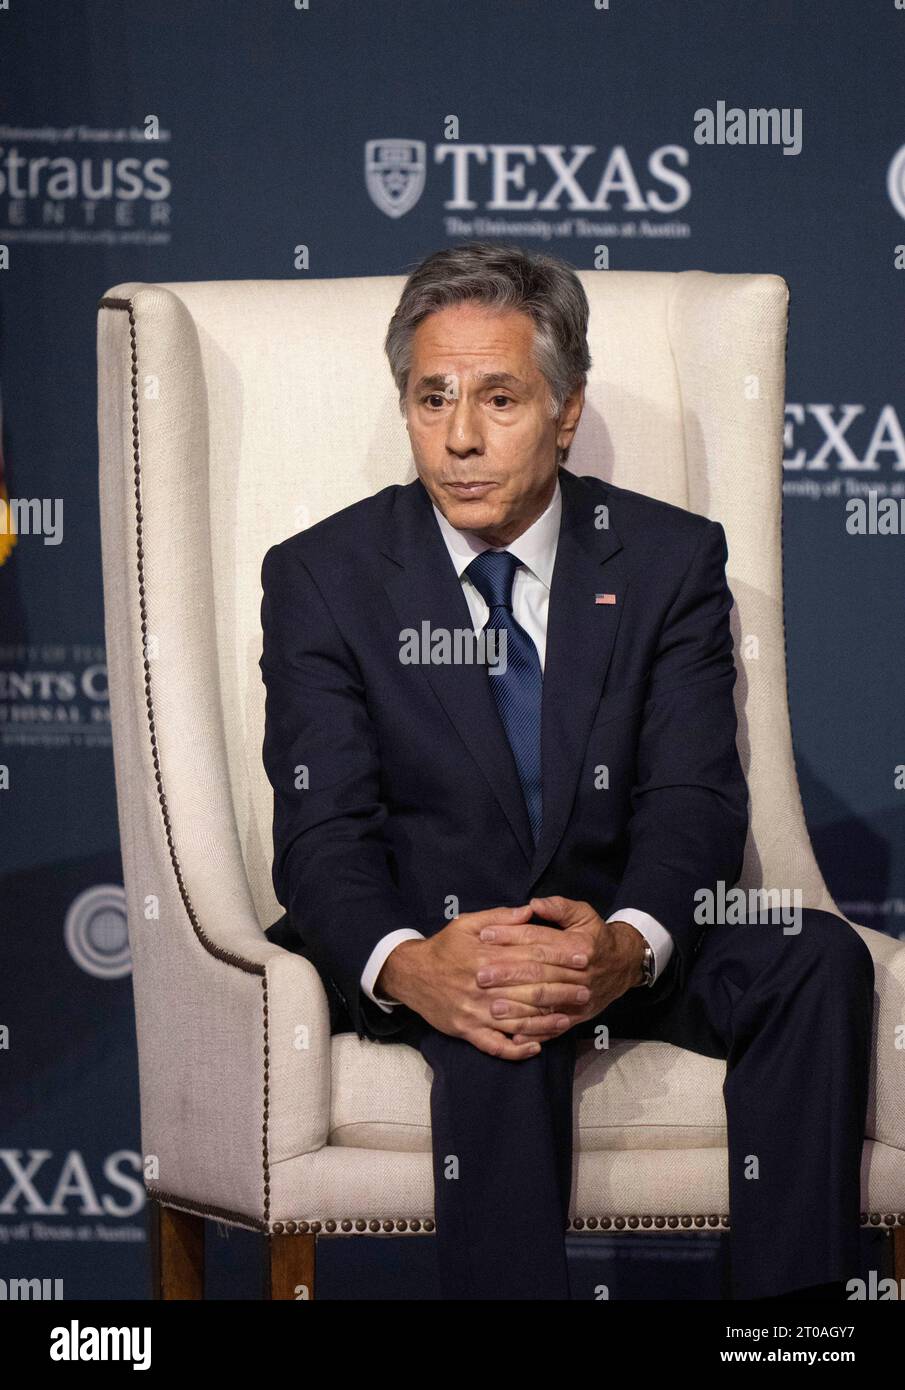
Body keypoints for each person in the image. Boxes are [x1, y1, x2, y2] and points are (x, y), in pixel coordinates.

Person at [259, 241, 874, 1301]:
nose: (457, 437)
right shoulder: (323, 575)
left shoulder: (666, 559)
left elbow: (694, 796)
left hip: (612, 929)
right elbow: (321, 832)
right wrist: (414, 966)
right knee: (502, 1007)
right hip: (431, 936)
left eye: (498, 397)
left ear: (564, 408)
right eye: (430, 397)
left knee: (811, 958)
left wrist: (628, 944)